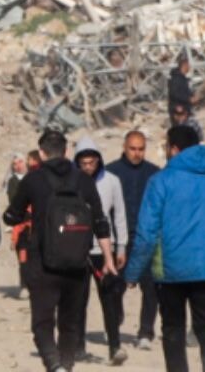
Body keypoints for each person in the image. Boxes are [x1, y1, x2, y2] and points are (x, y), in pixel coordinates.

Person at [124, 126, 205, 372]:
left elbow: (146, 233)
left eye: (166, 146)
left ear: (174, 149)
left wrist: (133, 272)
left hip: (170, 270)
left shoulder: (161, 180)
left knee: (173, 330)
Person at [4, 131, 116, 372]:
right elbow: (100, 221)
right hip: (78, 262)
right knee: (70, 323)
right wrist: (108, 259)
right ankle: (66, 364)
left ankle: (55, 366)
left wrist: (18, 216)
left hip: (42, 262)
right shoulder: (84, 180)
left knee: (42, 323)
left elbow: (12, 215)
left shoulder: (33, 180)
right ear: (66, 152)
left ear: (41, 153)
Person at [73, 138, 129, 365]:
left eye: (92, 162)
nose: (88, 167)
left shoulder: (112, 181)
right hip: (77, 249)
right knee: (78, 300)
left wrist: (121, 247)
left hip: (104, 249)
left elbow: (120, 215)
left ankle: (115, 346)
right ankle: (78, 347)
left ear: (98, 160)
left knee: (109, 298)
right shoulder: (71, 182)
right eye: (83, 163)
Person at [105, 130, 161, 350]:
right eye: (133, 148)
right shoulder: (110, 173)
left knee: (151, 288)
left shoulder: (155, 174)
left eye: (141, 149)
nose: (137, 153)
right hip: (120, 240)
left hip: (147, 239)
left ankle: (145, 332)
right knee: (115, 286)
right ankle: (116, 318)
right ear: (124, 146)